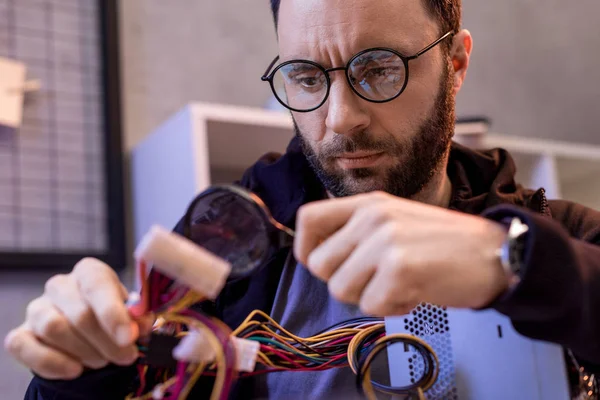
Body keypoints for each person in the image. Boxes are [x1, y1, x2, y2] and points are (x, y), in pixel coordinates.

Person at [5, 0, 600, 398]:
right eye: (308, 78)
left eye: (379, 69)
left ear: (458, 61)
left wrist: (518, 263)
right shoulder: (227, 241)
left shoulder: (565, 237)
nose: (341, 120)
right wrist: (77, 371)